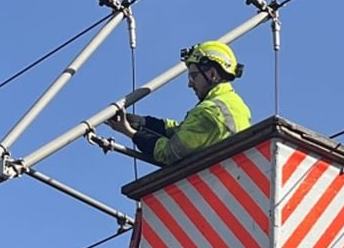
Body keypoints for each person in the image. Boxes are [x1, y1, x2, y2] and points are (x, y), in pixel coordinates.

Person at [106, 41, 251, 166]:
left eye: (193, 76)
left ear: (212, 74)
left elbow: (169, 152)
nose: (190, 84)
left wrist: (128, 132)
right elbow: (183, 130)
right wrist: (143, 122)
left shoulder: (208, 112)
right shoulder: (235, 105)